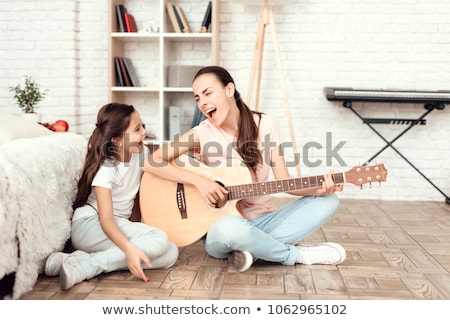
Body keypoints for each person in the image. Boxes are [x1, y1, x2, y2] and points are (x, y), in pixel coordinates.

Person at [144, 66, 346, 273]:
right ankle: (295, 255)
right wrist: (200, 181)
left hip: (264, 220)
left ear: (229, 90)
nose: (202, 103)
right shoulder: (202, 133)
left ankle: (252, 250)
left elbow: (285, 181)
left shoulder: (266, 125)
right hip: (223, 229)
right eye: (197, 98)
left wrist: (319, 190)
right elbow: (151, 162)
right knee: (231, 228)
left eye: (208, 93)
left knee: (328, 201)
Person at [44, 103, 178, 290]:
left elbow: (139, 195)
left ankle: (72, 260)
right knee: (158, 238)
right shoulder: (108, 168)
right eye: (137, 129)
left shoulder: (142, 153)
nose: (144, 133)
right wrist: (129, 249)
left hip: (114, 227)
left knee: (170, 253)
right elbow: (106, 219)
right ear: (117, 140)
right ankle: (86, 267)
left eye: (143, 126)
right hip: (90, 226)